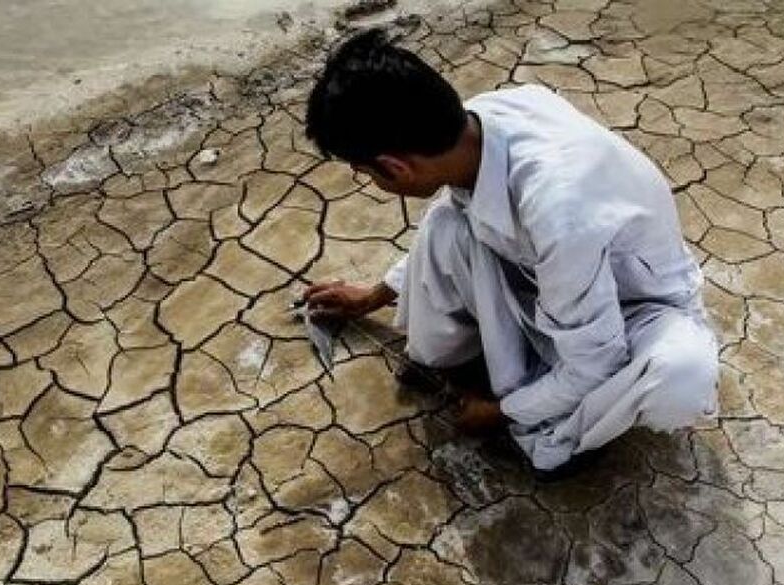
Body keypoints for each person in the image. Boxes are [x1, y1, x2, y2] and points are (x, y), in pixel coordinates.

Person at [302, 29, 718, 473]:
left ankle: (567, 426)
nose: (374, 183)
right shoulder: (478, 123)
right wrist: (374, 295)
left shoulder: (559, 207)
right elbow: (460, 215)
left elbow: (597, 362)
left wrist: (503, 412)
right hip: (550, 281)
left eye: (367, 174)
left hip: (638, 309)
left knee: (680, 377)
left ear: (395, 166)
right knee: (447, 224)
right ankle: (524, 375)